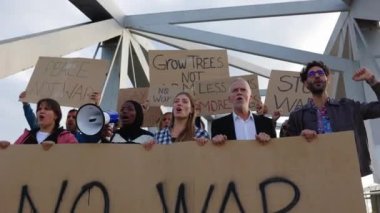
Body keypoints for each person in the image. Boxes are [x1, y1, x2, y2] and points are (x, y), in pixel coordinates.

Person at [287, 61, 380, 177]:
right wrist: (300, 138)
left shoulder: (349, 107)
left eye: (320, 73)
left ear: (328, 79)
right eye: (311, 74)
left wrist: (372, 80)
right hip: (313, 176)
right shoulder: (297, 116)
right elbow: (288, 151)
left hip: (349, 173)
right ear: (305, 83)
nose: (316, 76)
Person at [211, 78, 276, 145]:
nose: (239, 92)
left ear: (250, 97)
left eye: (243, 90)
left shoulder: (267, 123)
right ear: (229, 99)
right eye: (235, 90)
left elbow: (276, 150)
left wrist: (268, 140)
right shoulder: (218, 125)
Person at [19, 91, 100, 143]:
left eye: (74, 117)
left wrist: (96, 105)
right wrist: (26, 105)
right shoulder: (55, 133)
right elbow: (34, 122)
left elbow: (96, 133)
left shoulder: (83, 138)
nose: (70, 119)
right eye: (68, 117)